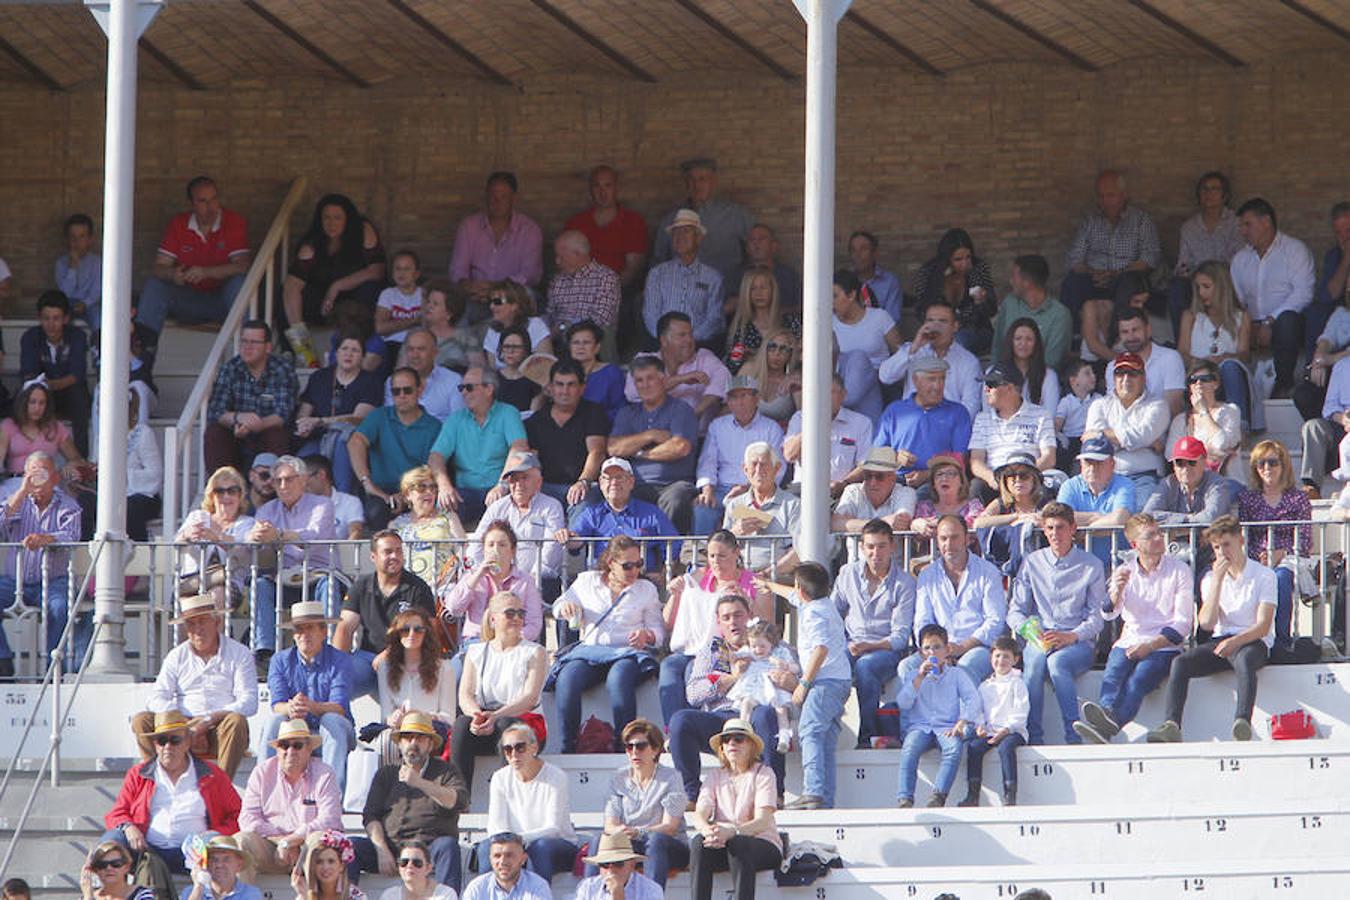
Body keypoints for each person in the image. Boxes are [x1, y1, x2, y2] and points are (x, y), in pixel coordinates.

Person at [1147, 516, 1277, 743]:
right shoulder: (1209, 578)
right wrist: (1217, 582)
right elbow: (1206, 623)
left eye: (1226, 544)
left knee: (1245, 659)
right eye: (1217, 547)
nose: (1222, 552)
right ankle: (1172, 724)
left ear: (1241, 540)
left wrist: (1235, 642)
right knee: (1181, 662)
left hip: (1253, 640)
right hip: (1222, 639)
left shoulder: (1264, 575)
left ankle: (1242, 722)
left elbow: (1263, 626)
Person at [1073, 513, 1193, 745]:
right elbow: (1108, 612)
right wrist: (1115, 592)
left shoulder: (1179, 570)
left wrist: (1149, 646)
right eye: (1151, 535)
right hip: (1131, 639)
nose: (1160, 538)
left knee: (1138, 680)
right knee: (1113, 674)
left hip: (1164, 645)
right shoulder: (1125, 571)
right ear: (1134, 544)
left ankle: (1110, 725)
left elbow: (1182, 624)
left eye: (1159, 533)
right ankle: (1106, 715)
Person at [668, 594, 791, 803]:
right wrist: (732, 679)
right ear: (719, 623)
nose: (733, 622)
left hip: (759, 711)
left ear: (750, 616)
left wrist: (787, 680)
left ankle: (773, 794)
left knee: (765, 715)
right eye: (726, 618)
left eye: (738, 615)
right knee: (681, 720)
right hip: (722, 716)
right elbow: (693, 694)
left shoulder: (777, 646)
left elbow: (797, 680)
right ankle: (692, 795)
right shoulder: (712, 651)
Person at [551, 535, 664, 752]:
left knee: (618, 679)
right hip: (590, 653)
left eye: (638, 564)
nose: (634, 571)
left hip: (627, 654)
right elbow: (558, 606)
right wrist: (566, 607)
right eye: (627, 566)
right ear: (611, 562)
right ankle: (569, 747)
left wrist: (646, 635)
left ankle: (626, 747)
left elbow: (658, 633)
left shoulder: (645, 589)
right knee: (567, 679)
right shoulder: (587, 581)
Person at [1006, 502, 1106, 745]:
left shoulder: (1092, 564)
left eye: (1060, 527)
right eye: (1049, 528)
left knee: (1057, 662)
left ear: (1073, 529)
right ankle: (1033, 737)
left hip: (1077, 641)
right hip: (1041, 636)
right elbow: (1015, 610)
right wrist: (1032, 632)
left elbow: (1097, 617)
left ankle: (1074, 735)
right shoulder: (1032, 562)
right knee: (1036, 661)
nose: (1054, 534)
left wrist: (1071, 636)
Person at [133, 593, 256, 778]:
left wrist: (209, 720)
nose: (197, 629)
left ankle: (220, 786)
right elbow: (156, 698)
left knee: (236, 722)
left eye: (203, 621)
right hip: (180, 726)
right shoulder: (177, 656)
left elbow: (249, 701)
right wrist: (182, 722)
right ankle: (156, 783)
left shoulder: (240, 653)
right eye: (191, 623)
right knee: (141, 720)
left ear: (217, 622)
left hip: (219, 727)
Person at [103, 711, 241, 875]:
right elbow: (116, 813)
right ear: (155, 745)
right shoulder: (138, 773)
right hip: (148, 852)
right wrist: (128, 827)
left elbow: (237, 814)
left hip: (197, 854)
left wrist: (215, 835)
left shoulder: (212, 774)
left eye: (175, 740)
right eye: (162, 741)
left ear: (187, 742)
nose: (168, 747)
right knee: (112, 840)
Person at [766, 563, 852, 811]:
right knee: (824, 740)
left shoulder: (814, 614)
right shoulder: (822, 604)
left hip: (825, 682)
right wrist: (768, 585)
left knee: (810, 731)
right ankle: (823, 800)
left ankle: (813, 792)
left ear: (802, 591)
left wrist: (803, 684)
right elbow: (793, 594)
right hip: (838, 681)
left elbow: (820, 649)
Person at [354, 713, 468, 894]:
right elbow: (371, 815)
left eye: (420, 738)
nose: (413, 742)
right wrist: (381, 849)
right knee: (349, 848)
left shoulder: (445, 771)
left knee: (448, 847)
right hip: (391, 850)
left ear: (430, 744)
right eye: (407, 737)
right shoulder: (386, 773)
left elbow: (458, 801)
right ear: (399, 743)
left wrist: (420, 782)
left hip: (429, 850)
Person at [660, 530, 764, 724]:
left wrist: (747, 600)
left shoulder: (754, 582)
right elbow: (666, 623)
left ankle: (694, 725)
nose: (716, 562)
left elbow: (766, 626)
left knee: (693, 670)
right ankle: (671, 728)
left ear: (736, 553)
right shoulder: (696, 577)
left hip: (724, 650)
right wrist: (675, 595)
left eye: (722, 556)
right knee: (668, 666)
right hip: (691, 647)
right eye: (711, 556)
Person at [451, 590, 549, 796]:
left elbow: (530, 698)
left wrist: (496, 716)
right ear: (493, 618)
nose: (517, 618)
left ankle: (510, 797)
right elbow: (465, 694)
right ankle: (459, 798)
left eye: (521, 613)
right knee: (461, 725)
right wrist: (478, 716)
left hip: (522, 721)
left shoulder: (535, 652)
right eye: (510, 613)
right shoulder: (476, 651)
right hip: (487, 719)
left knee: (508, 728)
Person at [830, 519, 915, 748]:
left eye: (881, 546)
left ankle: (866, 736)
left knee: (865, 666)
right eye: (870, 546)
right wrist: (842, 642)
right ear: (861, 548)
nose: (875, 552)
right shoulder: (847, 573)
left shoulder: (904, 583)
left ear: (892, 547)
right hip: (852, 644)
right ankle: (826, 729)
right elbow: (833, 613)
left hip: (886, 650)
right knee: (828, 664)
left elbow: (899, 637)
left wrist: (869, 646)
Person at [0, 451, 83, 676]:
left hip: (54, 581)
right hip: (14, 581)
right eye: (32, 473)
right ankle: (3, 662)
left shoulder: (68, 504)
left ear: (55, 478)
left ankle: (53, 669)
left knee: (59, 608)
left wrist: (47, 538)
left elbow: (71, 536)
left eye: (43, 473)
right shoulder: (17, 500)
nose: (37, 479)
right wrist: (21, 491)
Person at [248, 456, 339, 658]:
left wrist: (279, 536)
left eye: (289, 479)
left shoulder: (322, 505)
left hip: (318, 575)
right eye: (277, 481)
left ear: (304, 479)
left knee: (329, 584)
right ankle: (264, 651)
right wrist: (256, 538)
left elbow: (313, 538)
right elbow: (260, 554)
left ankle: (329, 648)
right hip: (284, 578)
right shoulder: (266, 510)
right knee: (261, 585)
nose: (282, 485)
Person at [137, 175, 250, 336]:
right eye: (202, 201)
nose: (211, 207)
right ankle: (142, 351)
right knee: (155, 284)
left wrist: (206, 272)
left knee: (239, 282)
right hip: (190, 300)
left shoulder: (233, 221)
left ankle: (249, 344)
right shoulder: (179, 223)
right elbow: (159, 267)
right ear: (192, 203)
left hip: (224, 302)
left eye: (214, 199)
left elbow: (243, 265)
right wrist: (173, 274)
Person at [282, 193, 386, 364]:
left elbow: (377, 270)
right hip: (323, 304)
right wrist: (302, 341)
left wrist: (337, 286)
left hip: (355, 300)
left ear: (348, 219)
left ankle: (362, 349)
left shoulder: (362, 230)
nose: (331, 223)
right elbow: (292, 286)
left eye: (337, 218)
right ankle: (302, 353)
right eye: (327, 218)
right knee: (284, 294)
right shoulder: (312, 244)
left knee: (371, 288)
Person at [264, 601, 357, 792]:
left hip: (335, 732)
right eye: (299, 629)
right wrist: (290, 708)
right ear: (294, 635)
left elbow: (339, 706)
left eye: (310, 628)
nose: (304, 634)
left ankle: (332, 795)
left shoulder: (341, 660)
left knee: (332, 720)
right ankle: (265, 791)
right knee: (275, 721)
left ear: (323, 632)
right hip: (296, 731)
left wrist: (311, 706)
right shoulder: (279, 661)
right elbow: (277, 704)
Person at [1230, 197, 1316, 398]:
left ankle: (1283, 384)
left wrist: (1270, 321)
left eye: (1247, 224)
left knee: (1287, 320)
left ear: (1266, 221)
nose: (1243, 231)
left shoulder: (1295, 250)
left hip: (1286, 324)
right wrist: (1247, 325)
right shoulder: (1240, 259)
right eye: (1241, 225)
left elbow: (1304, 293)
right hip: (1251, 324)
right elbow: (1237, 300)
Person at [688, 718, 783, 900]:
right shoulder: (714, 776)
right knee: (699, 843)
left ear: (751, 746)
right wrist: (708, 831)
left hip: (763, 845)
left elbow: (762, 821)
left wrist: (732, 831)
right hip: (727, 844)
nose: (731, 743)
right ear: (722, 748)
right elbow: (700, 814)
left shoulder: (764, 773)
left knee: (738, 843)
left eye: (738, 738)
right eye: (726, 739)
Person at [336, 531, 436, 698]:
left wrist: (389, 653)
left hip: (405, 658)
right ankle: (341, 722)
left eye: (398, 551)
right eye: (388, 551)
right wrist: (336, 665)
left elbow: (428, 631)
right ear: (373, 556)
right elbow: (344, 628)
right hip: (366, 657)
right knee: (339, 683)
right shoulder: (361, 585)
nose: (395, 556)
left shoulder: (418, 588)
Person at [591, 719, 689, 887]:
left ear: (656, 749)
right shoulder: (618, 778)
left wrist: (638, 831)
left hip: (669, 846)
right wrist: (619, 831)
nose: (634, 752)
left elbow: (670, 827)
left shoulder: (672, 777)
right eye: (630, 747)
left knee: (656, 840)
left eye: (641, 746)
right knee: (599, 841)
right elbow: (610, 824)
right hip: (631, 845)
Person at [237, 719, 343, 876]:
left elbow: (330, 820)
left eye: (297, 745)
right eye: (284, 745)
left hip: (309, 847)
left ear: (309, 749)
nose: (290, 751)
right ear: (278, 750)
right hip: (273, 847)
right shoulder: (262, 773)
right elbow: (247, 818)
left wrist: (294, 839)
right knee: (240, 841)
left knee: (319, 840)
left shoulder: (324, 773)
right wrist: (281, 841)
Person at [608, 355, 699, 533]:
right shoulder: (627, 413)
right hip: (635, 484)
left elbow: (680, 447)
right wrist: (651, 435)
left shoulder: (681, 409)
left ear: (663, 379)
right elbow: (614, 448)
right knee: (612, 493)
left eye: (650, 378)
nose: (645, 385)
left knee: (677, 497)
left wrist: (639, 453)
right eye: (639, 380)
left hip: (673, 484)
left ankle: (670, 556)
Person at [895, 624, 981, 808]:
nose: (932, 652)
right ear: (920, 652)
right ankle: (905, 798)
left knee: (954, 748)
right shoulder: (913, 674)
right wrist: (918, 678)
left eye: (937, 647)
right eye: (927, 648)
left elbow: (973, 698)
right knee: (910, 748)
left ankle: (938, 796)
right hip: (921, 726)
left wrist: (963, 721)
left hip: (946, 727)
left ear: (947, 650)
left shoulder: (956, 674)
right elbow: (903, 703)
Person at [914, 514, 1006, 686]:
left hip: (978, 647)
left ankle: (965, 713)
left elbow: (995, 621)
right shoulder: (927, 576)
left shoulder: (988, 572)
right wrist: (937, 651)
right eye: (943, 539)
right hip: (936, 648)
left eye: (954, 537)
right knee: (906, 667)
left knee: (962, 669)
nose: (948, 544)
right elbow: (922, 621)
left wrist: (962, 647)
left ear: (967, 539)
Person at [429, 366, 528, 526]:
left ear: (489, 389)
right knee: (443, 507)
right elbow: (436, 456)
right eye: (461, 388)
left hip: (500, 489)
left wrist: (502, 485)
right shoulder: (455, 419)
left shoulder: (508, 413)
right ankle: (452, 552)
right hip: (464, 492)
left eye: (469, 388)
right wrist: (444, 485)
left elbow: (519, 448)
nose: (463, 393)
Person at [1237, 439, 1310, 653]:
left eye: (1272, 462)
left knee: (1280, 578)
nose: (1267, 468)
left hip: (1290, 557)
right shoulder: (1247, 499)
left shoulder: (1298, 498)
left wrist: (1281, 553)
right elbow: (1245, 537)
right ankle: (1254, 639)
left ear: (1283, 465)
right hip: (1257, 558)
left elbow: (1305, 540)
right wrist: (1259, 556)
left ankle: (1281, 641)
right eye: (1261, 464)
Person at [482, 722, 578, 883]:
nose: (513, 754)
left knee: (540, 848)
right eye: (507, 749)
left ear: (534, 748)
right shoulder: (499, 777)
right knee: (487, 848)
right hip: (516, 844)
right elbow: (495, 825)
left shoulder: (556, 776)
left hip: (555, 845)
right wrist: (510, 845)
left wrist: (517, 841)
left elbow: (552, 828)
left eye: (520, 747)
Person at [350, 367, 443, 529]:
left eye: (407, 390)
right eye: (396, 391)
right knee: (375, 512)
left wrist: (406, 495)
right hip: (381, 491)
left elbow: (431, 468)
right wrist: (367, 483)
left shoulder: (434, 427)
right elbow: (355, 442)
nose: (401, 396)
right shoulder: (379, 416)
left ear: (420, 390)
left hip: (418, 490)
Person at [1060, 170, 1161, 317]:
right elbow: (1074, 259)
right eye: (1101, 196)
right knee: (1072, 283)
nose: (1105, 201)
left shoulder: (1141, 220)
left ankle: (1118, 331)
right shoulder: (1090, 221)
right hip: (1095, 280)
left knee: (1130, 282)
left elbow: (1150, 258)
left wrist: (1116, 273)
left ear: (1123, 195)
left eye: (1110, 195)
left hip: (1124, 277)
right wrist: (1092, 273)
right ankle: (1073, 335)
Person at [204, 320, 297, 475]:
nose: (247, 347)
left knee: (277, 435)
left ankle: (272, 488)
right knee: (215, 433)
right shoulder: (231, 368)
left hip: (267, 430)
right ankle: (220, 486)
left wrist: (256, 424)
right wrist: (238, 418)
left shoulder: (282, 369)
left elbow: (283, 414)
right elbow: (216, 410)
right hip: (236, 432)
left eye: (254, 342)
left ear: (268, 347)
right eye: (244, 341)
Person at [295, 330, 383, 493]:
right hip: (317, 437)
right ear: (336, 353)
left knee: (342, 446)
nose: (348, 354)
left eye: (355, 350)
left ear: (363, 356)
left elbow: (358, 418)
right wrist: (303, 425)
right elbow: (304, 412)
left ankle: (344, 501)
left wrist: (321, 421)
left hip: (350, 440)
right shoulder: (319, 377)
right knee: (300, 466)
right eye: (344, 349)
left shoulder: (370, 382)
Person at [695, 375, 784, 534]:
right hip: (721, 489)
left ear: (756, 399)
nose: (739, 402)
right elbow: (708, 462)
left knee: (752, 520)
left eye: (744, 396)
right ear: (728, 402)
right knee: (702, 510)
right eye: (734, 397)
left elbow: (777, 470)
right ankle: (703, 555)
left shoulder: (771, 429)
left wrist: (750, 488)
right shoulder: (717, 426)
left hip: (755, 491)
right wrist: (707, 489)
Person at [469, 452, 565, 597]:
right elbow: (477, 544)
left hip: (540, 581)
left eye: (524, 478)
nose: (518, 485)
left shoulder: (551, 506)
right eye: (513, 479)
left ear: (538, 482)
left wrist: (528, 580)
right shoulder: (497, 507)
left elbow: (551, 554)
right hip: (498, 580)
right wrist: (482, 573)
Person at [450, 172, 543, 316]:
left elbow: (531, 275)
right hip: (476, 295)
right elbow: (457, 270)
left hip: (512, 295)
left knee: (529, 294)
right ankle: (465, 338)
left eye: (503, 197)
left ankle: (516, 337)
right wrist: (468, 285)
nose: (497, 201)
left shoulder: (529, 229)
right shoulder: (469, 226)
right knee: (454, 300)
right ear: (486, 196)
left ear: (514, 198)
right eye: (492, 196)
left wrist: (496, 288)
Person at [568, 456, 679, 576]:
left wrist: (662, 575)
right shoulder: (591, 514)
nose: (614, 483)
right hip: (602, 581)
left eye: (619, 477)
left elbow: (673, 548)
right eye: (608, 478)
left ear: (631, 482)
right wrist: (566, 536)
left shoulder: (652, 513)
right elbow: (575, 541)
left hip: (640, 581)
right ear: (600, 483)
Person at [873, 356, 973, 488]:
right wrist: (895, 457)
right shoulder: (895, 411)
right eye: (932, 379)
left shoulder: (958, 412)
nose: (938, 386)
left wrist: (928, 474)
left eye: (942, 379)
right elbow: (876, 454)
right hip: (894, 481)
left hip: (939, 483)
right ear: (915, 380)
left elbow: (960, 459)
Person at [1177, 260, 1255, 430]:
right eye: (1197, 287)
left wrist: (1226, 357)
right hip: (1198, 377)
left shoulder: (1241, 317)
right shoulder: (1191, 316)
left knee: (1231, 367)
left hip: (1228, 376)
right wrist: (1204, 364)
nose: (1201, 292)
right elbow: (1182, 352)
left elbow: (1244, 354)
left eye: (1206, 286)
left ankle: (1239, 428)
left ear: (1221, 287)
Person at [1084, 351, 1170, 502]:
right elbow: (1095, 446)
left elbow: (1140, 436)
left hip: (1145, 476)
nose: (1125, 379)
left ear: (1143, 377)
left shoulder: (1158, 405)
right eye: (1120, 374)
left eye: (1132, 374)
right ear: (1113, 378)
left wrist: (1102, 435)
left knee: (1136, 518)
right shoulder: (1099, 405)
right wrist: (1147, 444)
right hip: (1104, 477)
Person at [526, 359, 608, 513]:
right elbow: (532, 460)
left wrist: (583, 482)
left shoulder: (593, 413)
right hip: (545, 487)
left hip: (584, 486)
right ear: (550, 388)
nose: (565, 391)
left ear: (582, 388)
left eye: (571, 384)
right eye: (559, 384)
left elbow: (597, 452)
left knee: (583, 505)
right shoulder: (536, 420)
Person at [1167, 171, 1244, 337]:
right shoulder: (1189, 227)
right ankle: (1182, 344)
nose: (1208, 194)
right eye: (1204, 189)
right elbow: (1183, 262)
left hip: (1227, 281)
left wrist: (1214, 276)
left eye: (1214, 189)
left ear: (1225, 196)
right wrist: (1187, 272)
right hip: (1196, 283)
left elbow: (1239, 261)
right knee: (1177, 287)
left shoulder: (1236, 223)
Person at [652, 157, 752, 283]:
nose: (696, 185)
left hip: (726, 295)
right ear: (685, 184)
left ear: (714, 182)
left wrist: (743, 291)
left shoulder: (735, 215)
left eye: (702, 179)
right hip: (681, 296)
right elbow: (658, 260)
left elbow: (756, 253)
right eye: (691, 180)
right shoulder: (670, 220)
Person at [626, 312, 731, 424]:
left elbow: (724, 381)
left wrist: (695, 412)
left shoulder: (704, 357)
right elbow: (633, 394)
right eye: (682, 335)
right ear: (664, 340)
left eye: (691, 334)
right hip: (654, 432)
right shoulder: (645, 360)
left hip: (697, 436)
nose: (689, 340)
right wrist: (680, 379)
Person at [174, 466, 256, 611]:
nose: (226, 496)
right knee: (186, 606)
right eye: (219, 491)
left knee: (216, 595)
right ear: (211, 496)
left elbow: (243, 552)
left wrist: (218, 537)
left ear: (240, 495)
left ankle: (216, 634)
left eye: (232, 491)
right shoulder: (197, 516)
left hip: (228, 584)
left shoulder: (247, 523)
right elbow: (176, 545)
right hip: (192, 583)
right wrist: (186, 535)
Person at [20, 289, 92, 454]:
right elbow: (29, 374)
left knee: (78, 396)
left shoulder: (77, 336)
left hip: (69, 394)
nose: (51, 324)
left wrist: (49, 384)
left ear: (66, 318)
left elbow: (77, 375)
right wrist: (44, 388)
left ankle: (82, 461)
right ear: (39, 318)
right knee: (27, 395)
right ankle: (29, 457)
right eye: (46, 318)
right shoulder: (30, 337)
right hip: (41, 393)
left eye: (56, 318)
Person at [968, 361, 1056, 495]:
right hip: (995, 482)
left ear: (1010, 388)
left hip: (1029, 480)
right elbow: (976, 460)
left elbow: (1049, 458)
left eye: (991, 385)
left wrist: (1023, 477)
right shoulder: (982, 419)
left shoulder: (1041, 415)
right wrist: (992, 478)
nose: (986, 389)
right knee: (976, 487)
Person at [960, 636, 1028, 807]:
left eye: (1006, 656)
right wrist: (980, 726)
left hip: (1013, 732)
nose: (1001, 660)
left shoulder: (1017, 683)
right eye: (997, 656)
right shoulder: (985, 685)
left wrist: (1007, 729)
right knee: (974, 748)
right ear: (991, 658)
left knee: (1005, 748)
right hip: (990, 731)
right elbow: (979, 711)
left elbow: (1021, 712)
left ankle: (1009, 794)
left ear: (1015, 659)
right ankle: (973, 794)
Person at [643, 209, 725, 347]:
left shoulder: (713, 278)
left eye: (686, 231)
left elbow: (714, 319)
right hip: (663, 345)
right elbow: (650, 314)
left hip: (698, 345)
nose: (679, 236)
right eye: (676, 232)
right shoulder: (657, 273)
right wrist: (667, 340)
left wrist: (687, 340)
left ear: (698, 238)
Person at [1056, 435, 1139, 568]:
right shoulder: (1069, 486)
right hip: (1078, 567)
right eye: (1088, 462)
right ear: (1081, 464)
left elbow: (1118, 520)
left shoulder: (1125, 484)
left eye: (1098, 463)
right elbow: (1061, 519)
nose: (1092, 468)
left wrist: (1085, 531)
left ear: (1112, 463)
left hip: (1118, 566)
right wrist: (1096, 517)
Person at [565, 165, 649, 292]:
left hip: (620, 291)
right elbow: (568, 264)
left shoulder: (633, 221)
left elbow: (632, 269)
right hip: (581, 291)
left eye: (608, 185)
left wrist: (607, 292)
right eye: (597, 186)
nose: (602, 192)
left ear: (617, 188)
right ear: (590, 190)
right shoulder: (576, 223)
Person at [912, 228, 997, 354]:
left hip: (975, 330)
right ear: (947, 259)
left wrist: (981, 301)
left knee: (957, 341)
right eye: (958, 259)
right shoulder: (929, 273)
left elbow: (991, 310)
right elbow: (921, 309)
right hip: (938, 328)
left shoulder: (978, 269)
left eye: (968, 257)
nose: (965, 263)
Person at [783, 374, 871, 495]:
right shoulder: (800, 417)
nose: (824, 397)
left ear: (843, 395)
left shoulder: (861, 423)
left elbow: (864, 465)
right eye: (819, 392)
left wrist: (844, 483)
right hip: (802, 489)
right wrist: (813, 423)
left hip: (842, 491)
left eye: (830, 392)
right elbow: (789, 455)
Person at [721, 442, 799, 578]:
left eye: (764, 464)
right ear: (745, 470)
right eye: (753, 464)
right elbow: (721, 549)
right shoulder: (735, 504)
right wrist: (734, 533)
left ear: (777, 468)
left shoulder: (792, 504)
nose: (758, 470)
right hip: (740, 577)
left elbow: (799, 551)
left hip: (779, 578)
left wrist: (766, 574)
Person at [390, 467, 466, 601]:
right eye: (421, 487)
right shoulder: (396, 525)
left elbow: (463, 549)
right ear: (408, 494)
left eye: (433, 487)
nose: (429, 492)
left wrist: (450, 576)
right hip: (409, 588)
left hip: (445, 585)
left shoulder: (448, 517)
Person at [973, 452, 1050, 577]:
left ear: (1034, 480)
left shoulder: (1044, 503)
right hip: (1006, 571)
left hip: (1040, 570)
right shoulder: (1000, 503)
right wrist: (1017, 517)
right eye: (1011, 476)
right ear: (1005, 481)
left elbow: (1061, 516)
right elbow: (979, 522)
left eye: (1024, 476)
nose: (1017, 480)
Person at [994, 255, 1072, 371]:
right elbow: (998, 346)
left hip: (1042, 381)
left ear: (1027, 283)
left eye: (1014, 277)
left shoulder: (1059, 315)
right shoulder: (1009, 304)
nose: (1011, 281)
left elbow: (1052, 360)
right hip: (1006, 377)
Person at [1104, 308, 1187, 417]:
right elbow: (1113, 410)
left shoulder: (1170, 358)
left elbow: (1173, 407)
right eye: (1125, 332)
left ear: (1148, 330)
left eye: (1135, 330)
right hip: (1124, 430)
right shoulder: (1113, 367)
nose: (1131, 337)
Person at [1166, 360, 1242, 478]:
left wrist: (1203, 411)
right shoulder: (1181, 420)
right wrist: (1209, 453)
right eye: (1193, 380)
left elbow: (1221, 444)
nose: (1198, 383)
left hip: (1226, 480)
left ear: (1215, 384)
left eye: (1205, 379)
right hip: (1193, 481)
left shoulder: (1230, 411)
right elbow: (1170, 454)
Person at [0, 381, 86, 478]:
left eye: (42, 403)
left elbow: (77, 459)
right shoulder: (8, 425)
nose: (37, 408)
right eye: (32, 402)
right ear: (23, 403)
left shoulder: (56, 427)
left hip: (47, 485)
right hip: (15, 483)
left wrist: (72, 464)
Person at [724, 266, 800, 375]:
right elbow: (731, 364)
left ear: (772, 290)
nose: (758, 293)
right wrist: (742, 356)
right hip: (754, 381)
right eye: (753, 288)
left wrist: (756, 354)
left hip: (785, 381)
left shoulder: (790, 322)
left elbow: (801, 356)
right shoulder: (742, 327)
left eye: (763, 287)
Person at [1142, 436, 1232, 526]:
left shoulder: (1217, 483)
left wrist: (1176, 525)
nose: (1185, 469)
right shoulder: (1168, 483)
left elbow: (1211, 518)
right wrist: (1187, 519)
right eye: (1179, 463)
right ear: (1173, 466)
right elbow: (1147, 516)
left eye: (1191, 462)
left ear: (1204, 461)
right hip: (1175, 540)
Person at [547, 229, 621, 337]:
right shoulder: (558, 280)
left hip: (593, 341)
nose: (557, 261)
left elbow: (602, 319)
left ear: (577, 254)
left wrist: (565, 327)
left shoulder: (606, 277)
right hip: (560, 340)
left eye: (561, 256)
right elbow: (550, 315)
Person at [830, 448, 917, 533]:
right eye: (868, 475)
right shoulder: (853, 491)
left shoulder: (906, 493)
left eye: (879, 476)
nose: (873, 482)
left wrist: (855, 525)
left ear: (892, 478)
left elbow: (900, 523)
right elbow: (836, 524)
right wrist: (882, 523)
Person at [385, 329, 465, 422]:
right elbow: (390, 420)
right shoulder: (393, 381)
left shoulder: (453, 381)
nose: (415, 355)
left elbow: (458, 423)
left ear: (435, 352)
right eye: (411, 349)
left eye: (421, 349)